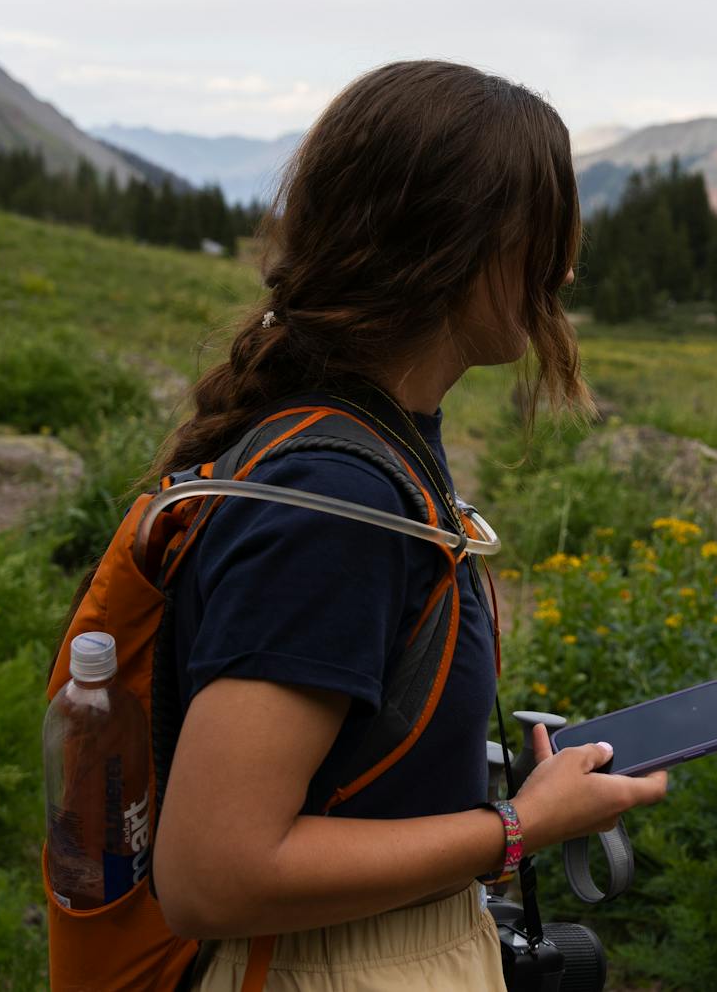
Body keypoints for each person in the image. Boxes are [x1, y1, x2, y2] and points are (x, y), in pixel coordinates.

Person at [148, 61, 668, 991]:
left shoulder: (363, 444)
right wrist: (522, 829)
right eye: (545, 238)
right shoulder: (338, 502)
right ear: (457, 247)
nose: (565, 270)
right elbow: (212, 875)